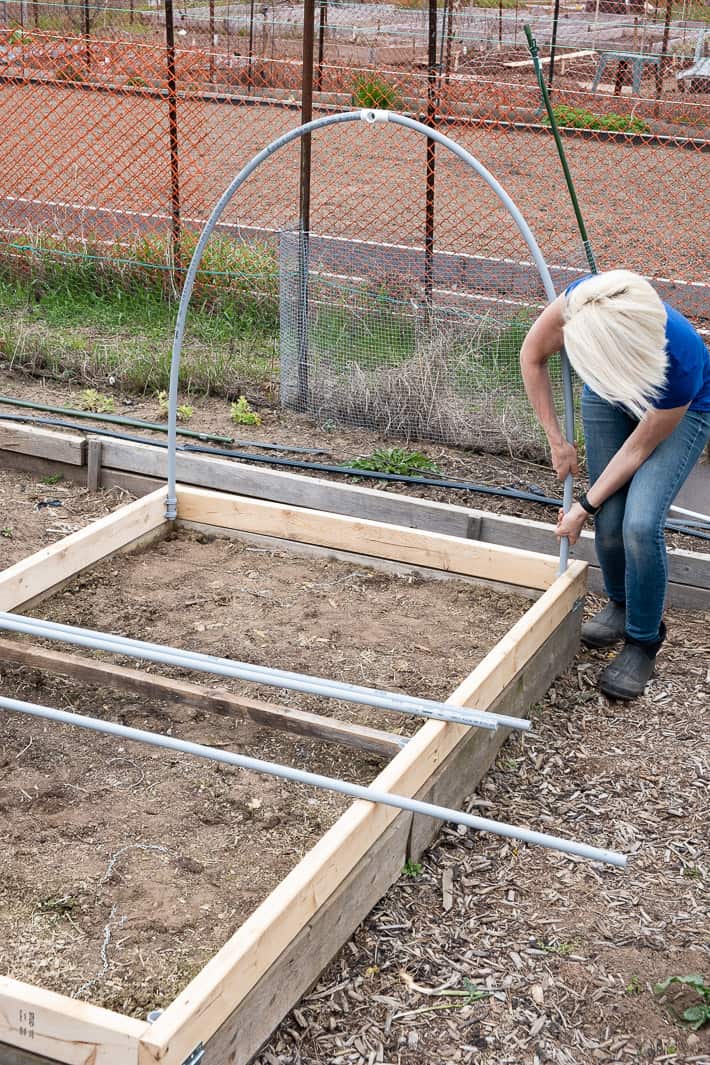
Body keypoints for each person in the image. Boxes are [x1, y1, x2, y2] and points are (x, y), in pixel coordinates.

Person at [520, 269, 710, 700]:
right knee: (611, 519)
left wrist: (580, 508)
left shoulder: (679, 361)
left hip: (681, 406)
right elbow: (532, 355)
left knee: (639, 525)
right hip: (610, 388)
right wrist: (557, 440)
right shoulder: (582, 304)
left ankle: (643, 640)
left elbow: (636, 452)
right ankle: (622, 605)